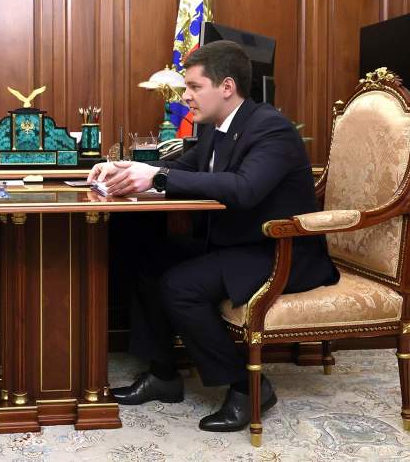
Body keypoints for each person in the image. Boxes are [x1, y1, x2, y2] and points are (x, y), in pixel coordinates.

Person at [89, 40, 339, 432]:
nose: (185, 96)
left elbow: (245, 188)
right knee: (146, 258)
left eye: (194, 87)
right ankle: (163, 375)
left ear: (226, 87)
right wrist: (124, 168)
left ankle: (247, 386)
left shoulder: (270, 127)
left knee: (180, 286)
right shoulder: (214, 128)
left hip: (280, 252)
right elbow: (182, 169)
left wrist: (159, 177)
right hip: (236, 244)